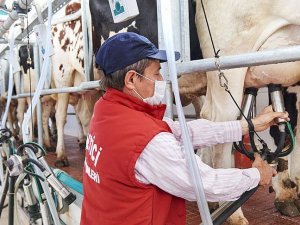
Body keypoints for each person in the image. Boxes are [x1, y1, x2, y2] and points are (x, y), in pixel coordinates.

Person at [80, 32, 289, 225]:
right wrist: (255, 175)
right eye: (157, 73)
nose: (162, 80)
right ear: (132, 79)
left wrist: (250, 125)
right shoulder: (146, 140)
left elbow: (182, 132)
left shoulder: (107, 110)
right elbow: (202, 183)